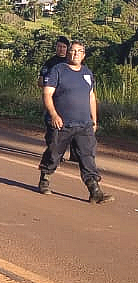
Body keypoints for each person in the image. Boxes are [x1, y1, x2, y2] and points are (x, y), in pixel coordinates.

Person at [37, 40, 114, 203]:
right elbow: (47, 94)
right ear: (68, 53)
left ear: (84, 55)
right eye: (72, 51)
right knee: (54, 153)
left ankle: (95, 190)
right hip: (62, 123)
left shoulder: (87, 73)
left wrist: (94, 119)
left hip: (84, 124)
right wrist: (54, 115)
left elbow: (91, 96)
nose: (75, 54)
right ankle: (45, 178)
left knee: (87, 156)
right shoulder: (57, 70)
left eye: (79, 51)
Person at [38, 36, 80, 163]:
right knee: (53, 127)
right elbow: (41, 81)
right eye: (59, 46)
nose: (61, 49)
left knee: (74, 127)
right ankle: (55, 154)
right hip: (54, 100)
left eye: (63, 47)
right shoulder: (50, 63)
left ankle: (74, 155)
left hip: (71, 101)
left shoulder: (73, 62)